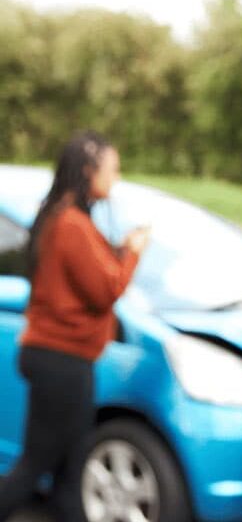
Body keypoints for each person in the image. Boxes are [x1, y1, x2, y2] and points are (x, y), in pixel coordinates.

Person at [0, 132, 149, 521]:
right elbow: (105, 290)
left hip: (60, 357)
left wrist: (119, 251)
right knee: (37, 465)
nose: (115, 180)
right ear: (88, 171)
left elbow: (87, 273)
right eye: (111, 170)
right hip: (60, 359)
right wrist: (132, 253)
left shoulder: (67, 218)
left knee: (70, 468)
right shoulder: (70, 224)